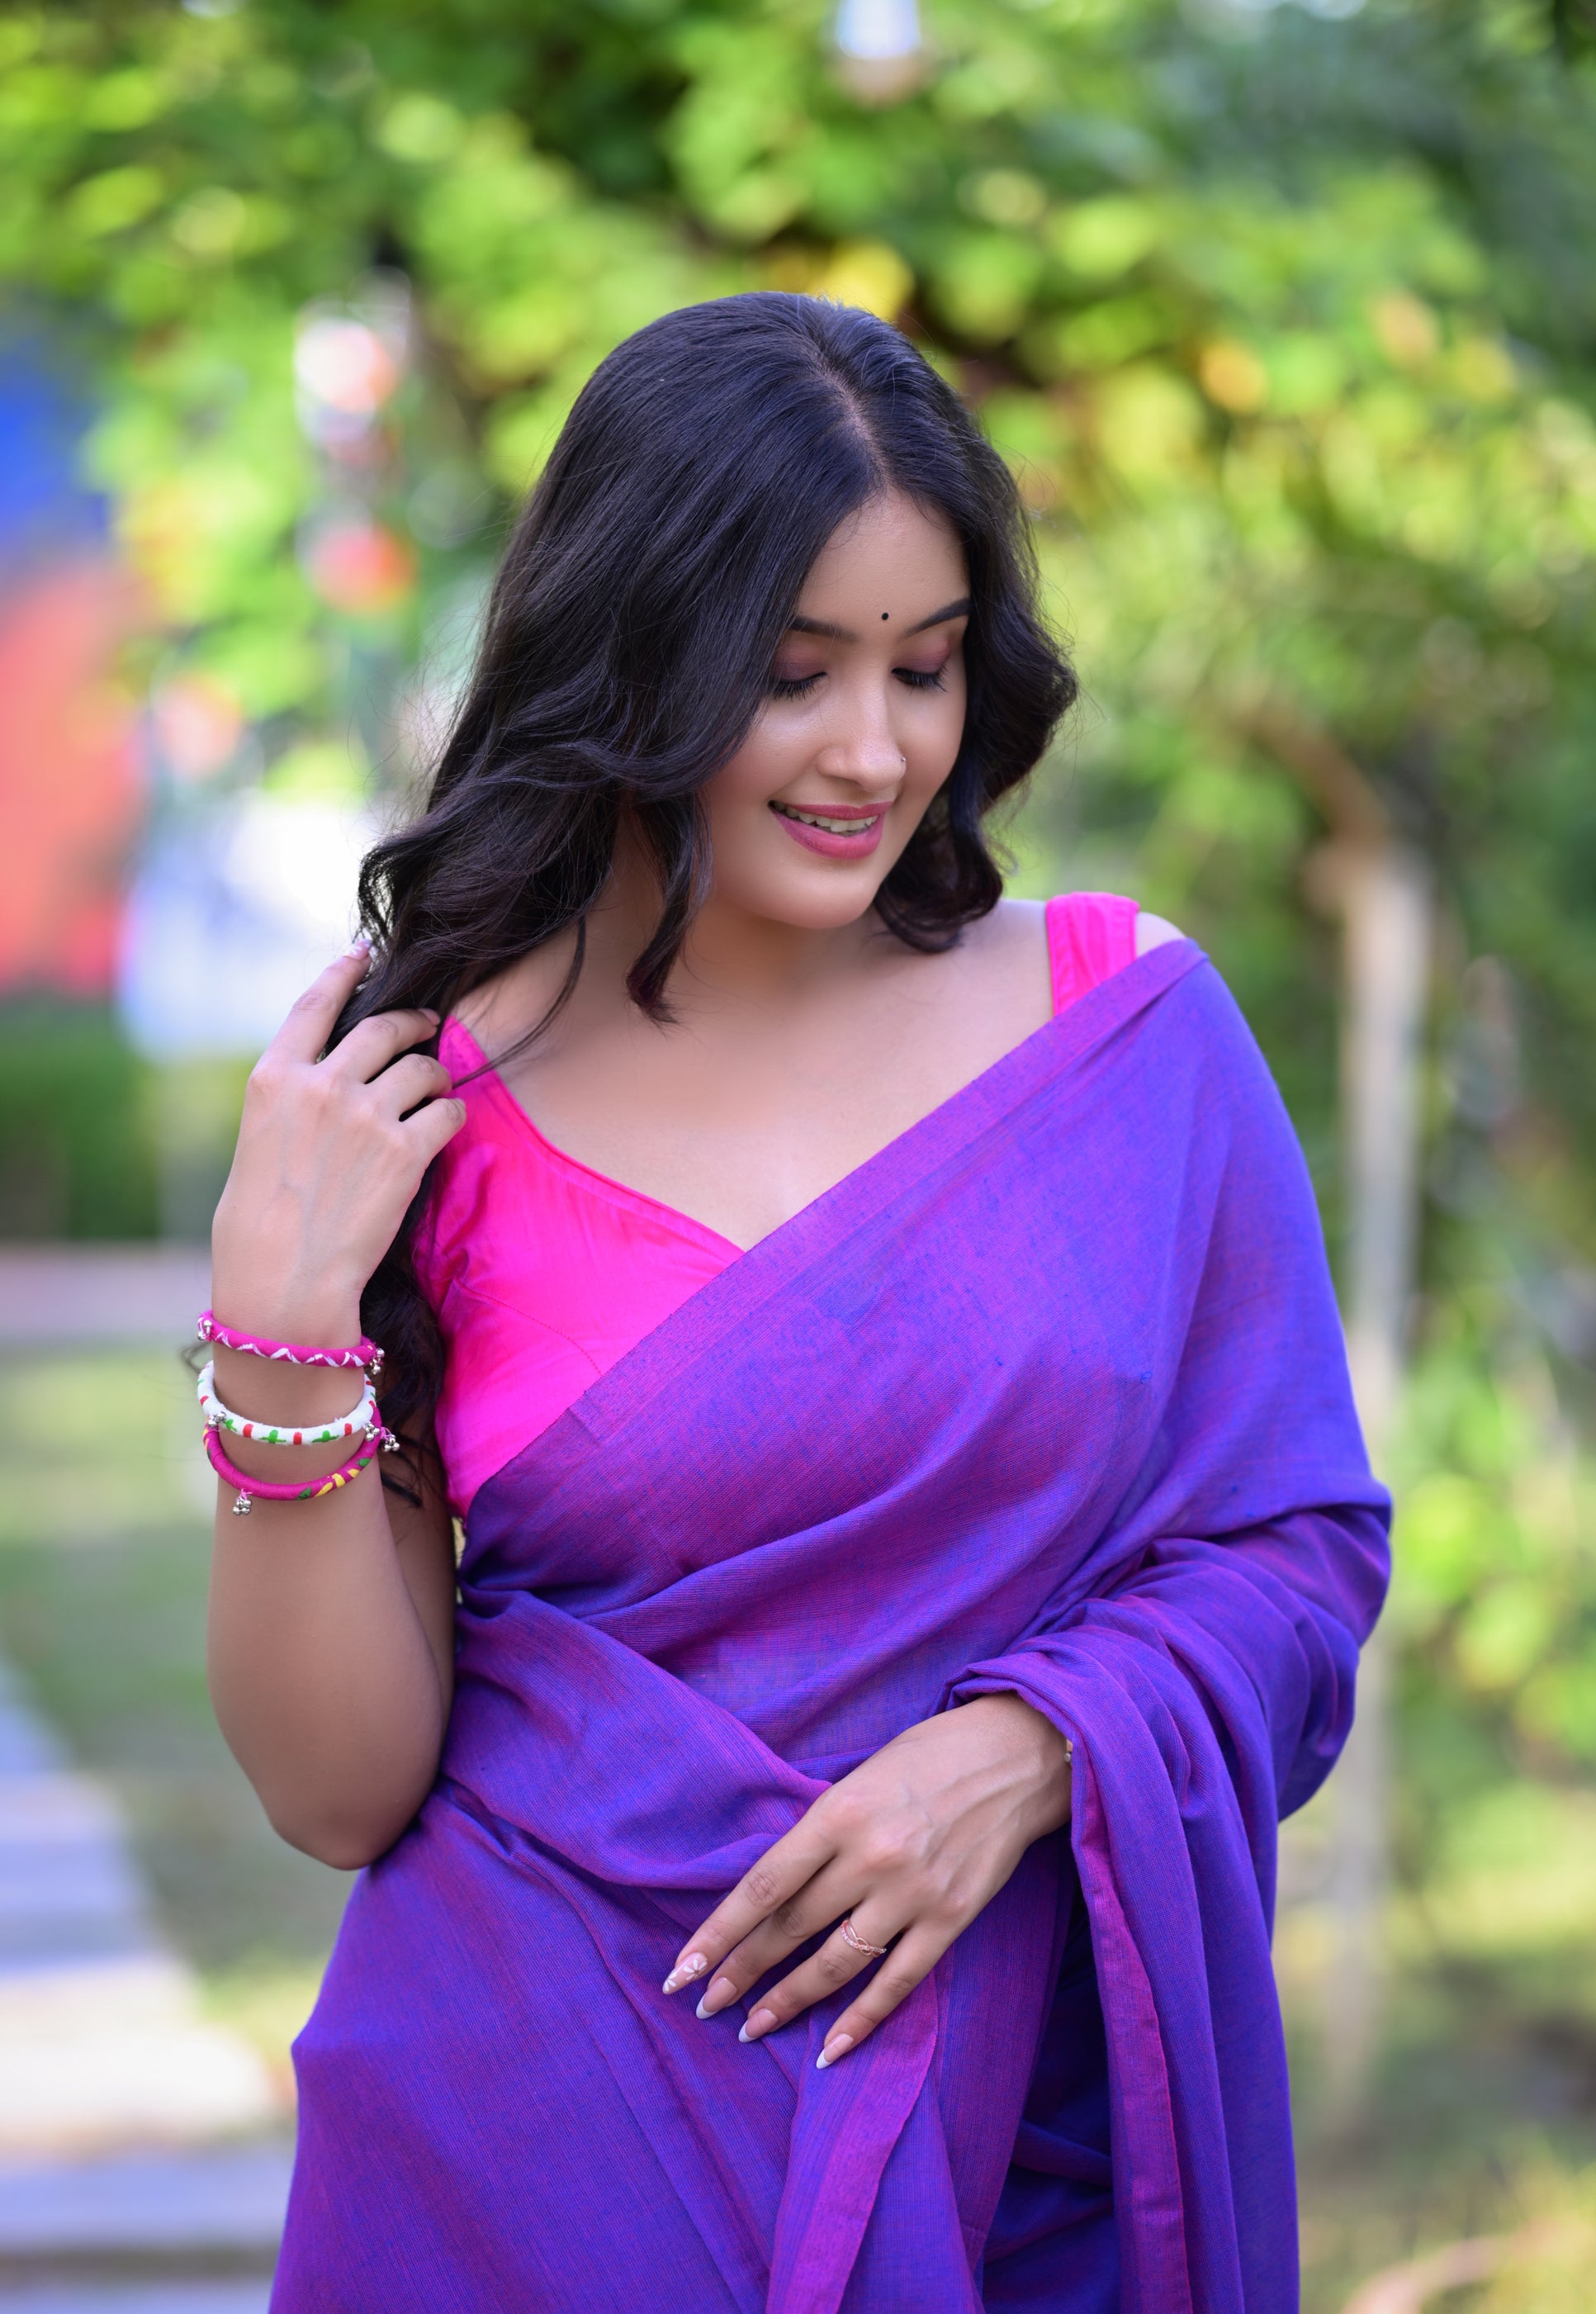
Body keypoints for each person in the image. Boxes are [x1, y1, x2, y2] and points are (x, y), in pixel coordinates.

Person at [202, 294, 1389, 2312]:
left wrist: (1029, 1749)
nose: (874, 750)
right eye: (791, 674)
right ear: (632, 661)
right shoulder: (423, 1110)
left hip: (1024, 2146)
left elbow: (1295, 1549)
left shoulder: (1120, 1036)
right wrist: (278, 1320)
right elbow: (338, 1791)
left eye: (924, 667)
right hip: (536, 2136)